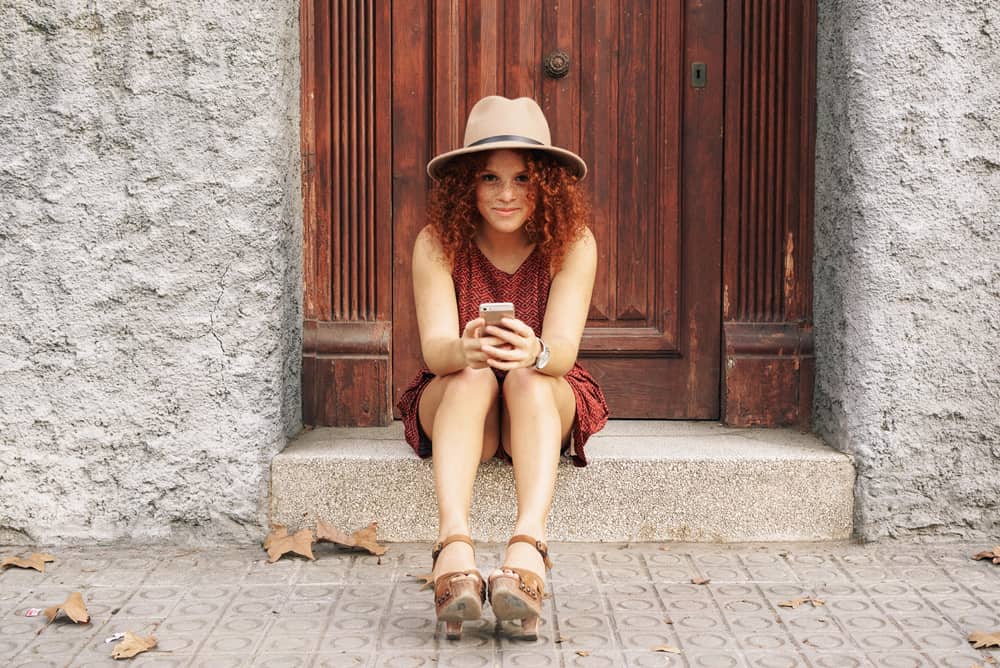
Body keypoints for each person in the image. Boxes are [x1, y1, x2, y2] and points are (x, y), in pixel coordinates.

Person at [396, 96, 609, 640]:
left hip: (534, 399)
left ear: (547, 184)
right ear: (467, 183)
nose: (506, 194)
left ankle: (527, 547)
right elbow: (434, 349)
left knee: (529, 378)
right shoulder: (437, 243)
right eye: (490, 178)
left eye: (522, 178)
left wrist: (533, 352)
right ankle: (454, 548)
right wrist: (465, 350)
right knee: (470, 377)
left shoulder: (573, 243)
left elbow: (563, 348)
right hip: (459, 396)